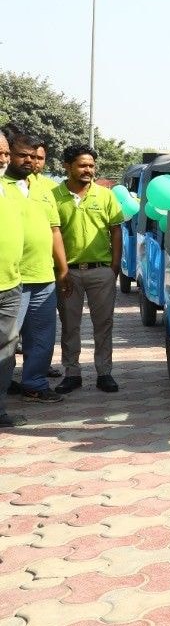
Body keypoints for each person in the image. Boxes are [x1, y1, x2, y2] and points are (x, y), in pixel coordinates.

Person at [52, 145, 125, 395]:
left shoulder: (105, 196)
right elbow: (53, 234)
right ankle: (72, 373)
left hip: (101, 271)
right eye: (83, 165)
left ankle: (104, 372)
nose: (88, 170)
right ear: (67, 166)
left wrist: (114, 267)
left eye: (91, 166)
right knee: (69, 324)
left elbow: (116, 230)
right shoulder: (54, 196)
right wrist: (61, 271)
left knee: (103, 324)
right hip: (67, 273)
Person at [1, 135, 68, 403]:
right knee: (6, 342)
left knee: (41, 337)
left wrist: (62, 270)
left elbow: (55, 231)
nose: (28, 160)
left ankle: (34, 384)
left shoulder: (45, 188)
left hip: (44, 277)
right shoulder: (3, 186)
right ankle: (5, 390)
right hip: (12, 280)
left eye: (33, 155)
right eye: (21, 155)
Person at [0, 133, 29, 429]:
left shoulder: (11, 190)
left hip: (10, 285)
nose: (4, 158)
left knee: (6, 351)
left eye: (6, 152)